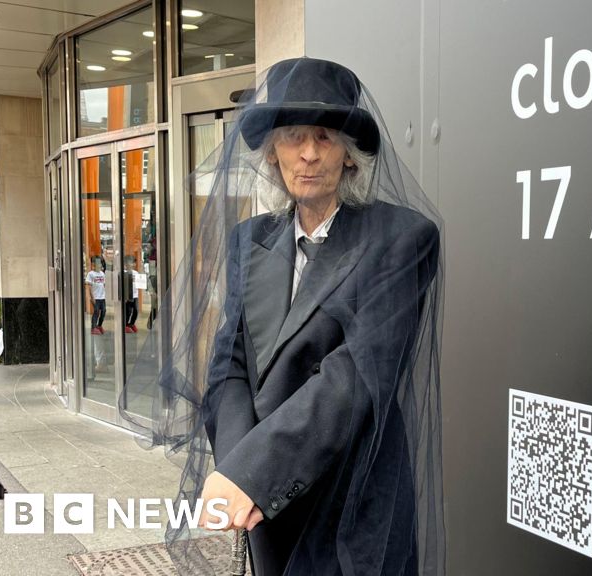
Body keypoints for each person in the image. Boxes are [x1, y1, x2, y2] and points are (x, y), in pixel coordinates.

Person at [117, 57, 445, 576]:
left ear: (350, 157)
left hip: (352, 499)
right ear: (272, 152)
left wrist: (253, 471)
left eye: (325, 136)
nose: (309, 153)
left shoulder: (401, 238)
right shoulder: (250, 240)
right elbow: (230, 363)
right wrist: (238, 466)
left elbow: (358, 374)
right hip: (267, 500)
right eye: (293, 136)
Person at [85, 258, 106, 335]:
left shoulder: (102, 274)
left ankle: (99, 326)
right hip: (95, 297)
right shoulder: (91, 274)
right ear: (93, 264)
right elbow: (89, 286)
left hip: (102, 297)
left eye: (100, 263)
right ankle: (93, 328)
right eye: (97, 263)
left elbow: (104, 285)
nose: (99, 265)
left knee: (103, 312)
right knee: (96, 312)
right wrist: (92, 297)